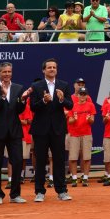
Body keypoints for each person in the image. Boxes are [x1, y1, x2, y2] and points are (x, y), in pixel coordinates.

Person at [0, 62, 31, 204]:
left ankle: (15, 194)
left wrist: (23, 100)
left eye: (9, 72)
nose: (7, 74)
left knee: (17, 161)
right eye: (4, 72)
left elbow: (19, 110)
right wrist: (2, 97)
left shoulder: (18, 88)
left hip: (15, 130)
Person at [29, 59, 73, 202]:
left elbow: (70, 105)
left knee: (59, 160)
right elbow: (33, 107)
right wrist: (43, 101)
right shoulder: (36, 86)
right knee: (40, 160)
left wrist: (61, 100)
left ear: (57, 70)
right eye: (49, 67)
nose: (52, 69)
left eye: (54, 67)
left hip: (58, 129)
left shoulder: (64, 85)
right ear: (44, 70)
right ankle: (39, 192)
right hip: (40, 129)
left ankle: (62, 191)